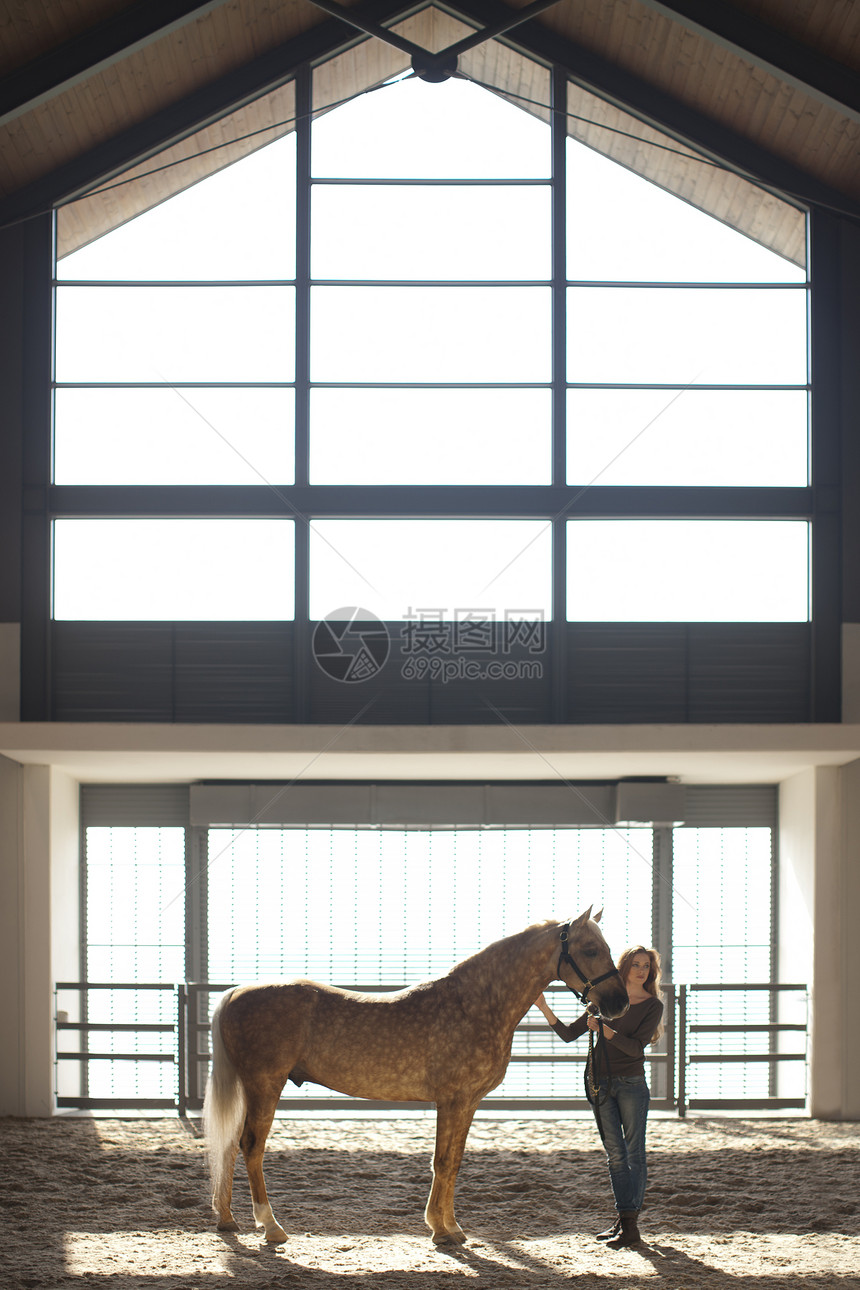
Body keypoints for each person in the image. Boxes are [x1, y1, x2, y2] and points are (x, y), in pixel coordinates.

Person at [534, 944, 664, 1249]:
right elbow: (568, 1034)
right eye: (636, 964)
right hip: (600, 1082)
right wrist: (542, 1006)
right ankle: (625, 1221)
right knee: (615, 1156)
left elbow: (635, 1048)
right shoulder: (602, 1001)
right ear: (625, 967)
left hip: (631, 1083)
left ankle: (629, 1225)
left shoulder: (652, 1006)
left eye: (646, 966)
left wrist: (606, 1031)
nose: (641, 970)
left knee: (634, 1153)